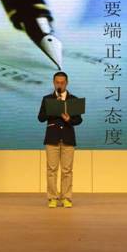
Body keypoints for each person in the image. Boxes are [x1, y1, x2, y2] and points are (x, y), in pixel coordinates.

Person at [37, 72, 83, 208]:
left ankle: (66, 198)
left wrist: (69, 119)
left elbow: (79, 120)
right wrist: (52, 108)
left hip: (68, 137)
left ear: (67, 83)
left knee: (67, 170)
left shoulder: (73, 99)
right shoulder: (47, 99)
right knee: (51, 170)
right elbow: (40, 118)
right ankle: (52, 198)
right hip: (52, 138)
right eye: (57, 82)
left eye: (62, 82)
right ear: (53, 83)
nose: (60, 85)